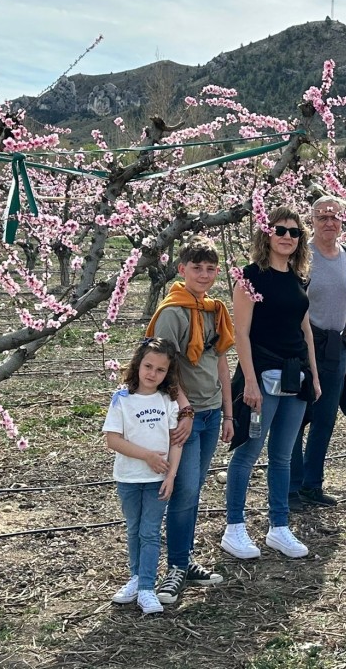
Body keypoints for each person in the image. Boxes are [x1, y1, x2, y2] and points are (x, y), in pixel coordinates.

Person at [222, 207, 322, 560]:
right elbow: (242, 334)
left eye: (294, 233)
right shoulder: (251, 277)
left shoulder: (298, 277)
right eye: (280, 230)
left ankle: (279, 526)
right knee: (249, 450)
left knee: (282, 455)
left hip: (296, 377)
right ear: (266, 234)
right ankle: (234, 527)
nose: (286, 237)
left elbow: (305, 328)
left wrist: (314, 373)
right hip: (263, 375)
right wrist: (248, 380)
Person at [143, 235, 235, 605]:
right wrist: (184, 409)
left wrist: (228, 411)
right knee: (183, 491)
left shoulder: (215, 309)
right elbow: (162, 369)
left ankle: (183, 561)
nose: (204, 274)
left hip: (211, 411)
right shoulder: (172, 312)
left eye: (211, 268)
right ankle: (174, 567)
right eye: (196, 267)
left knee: (193, 490)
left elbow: (222, 360)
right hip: (184, 416)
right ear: (182, 270)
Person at [104, 338, 183, 616]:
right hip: (128, 477)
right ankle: (136, 577)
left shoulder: (167, 401)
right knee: (134, 529)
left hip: (157, 480)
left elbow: (176, 442)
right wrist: (146, 456)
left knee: (150, 531)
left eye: (160, 370)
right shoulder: (122, 400)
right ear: (138, 365)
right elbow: (112, 440)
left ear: (168, 374)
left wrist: (171, 474)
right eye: (148, 366)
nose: (152, 373)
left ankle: (148, 586)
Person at [290, 196, 346, 509]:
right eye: (322, 217)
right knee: (294, 417)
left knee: (325, 418)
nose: (329, 222)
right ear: (311, 222)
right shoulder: (302, 257)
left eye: (334, 216)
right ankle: (291, 486)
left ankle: (311, 485)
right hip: (304, 346)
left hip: (335, 347)